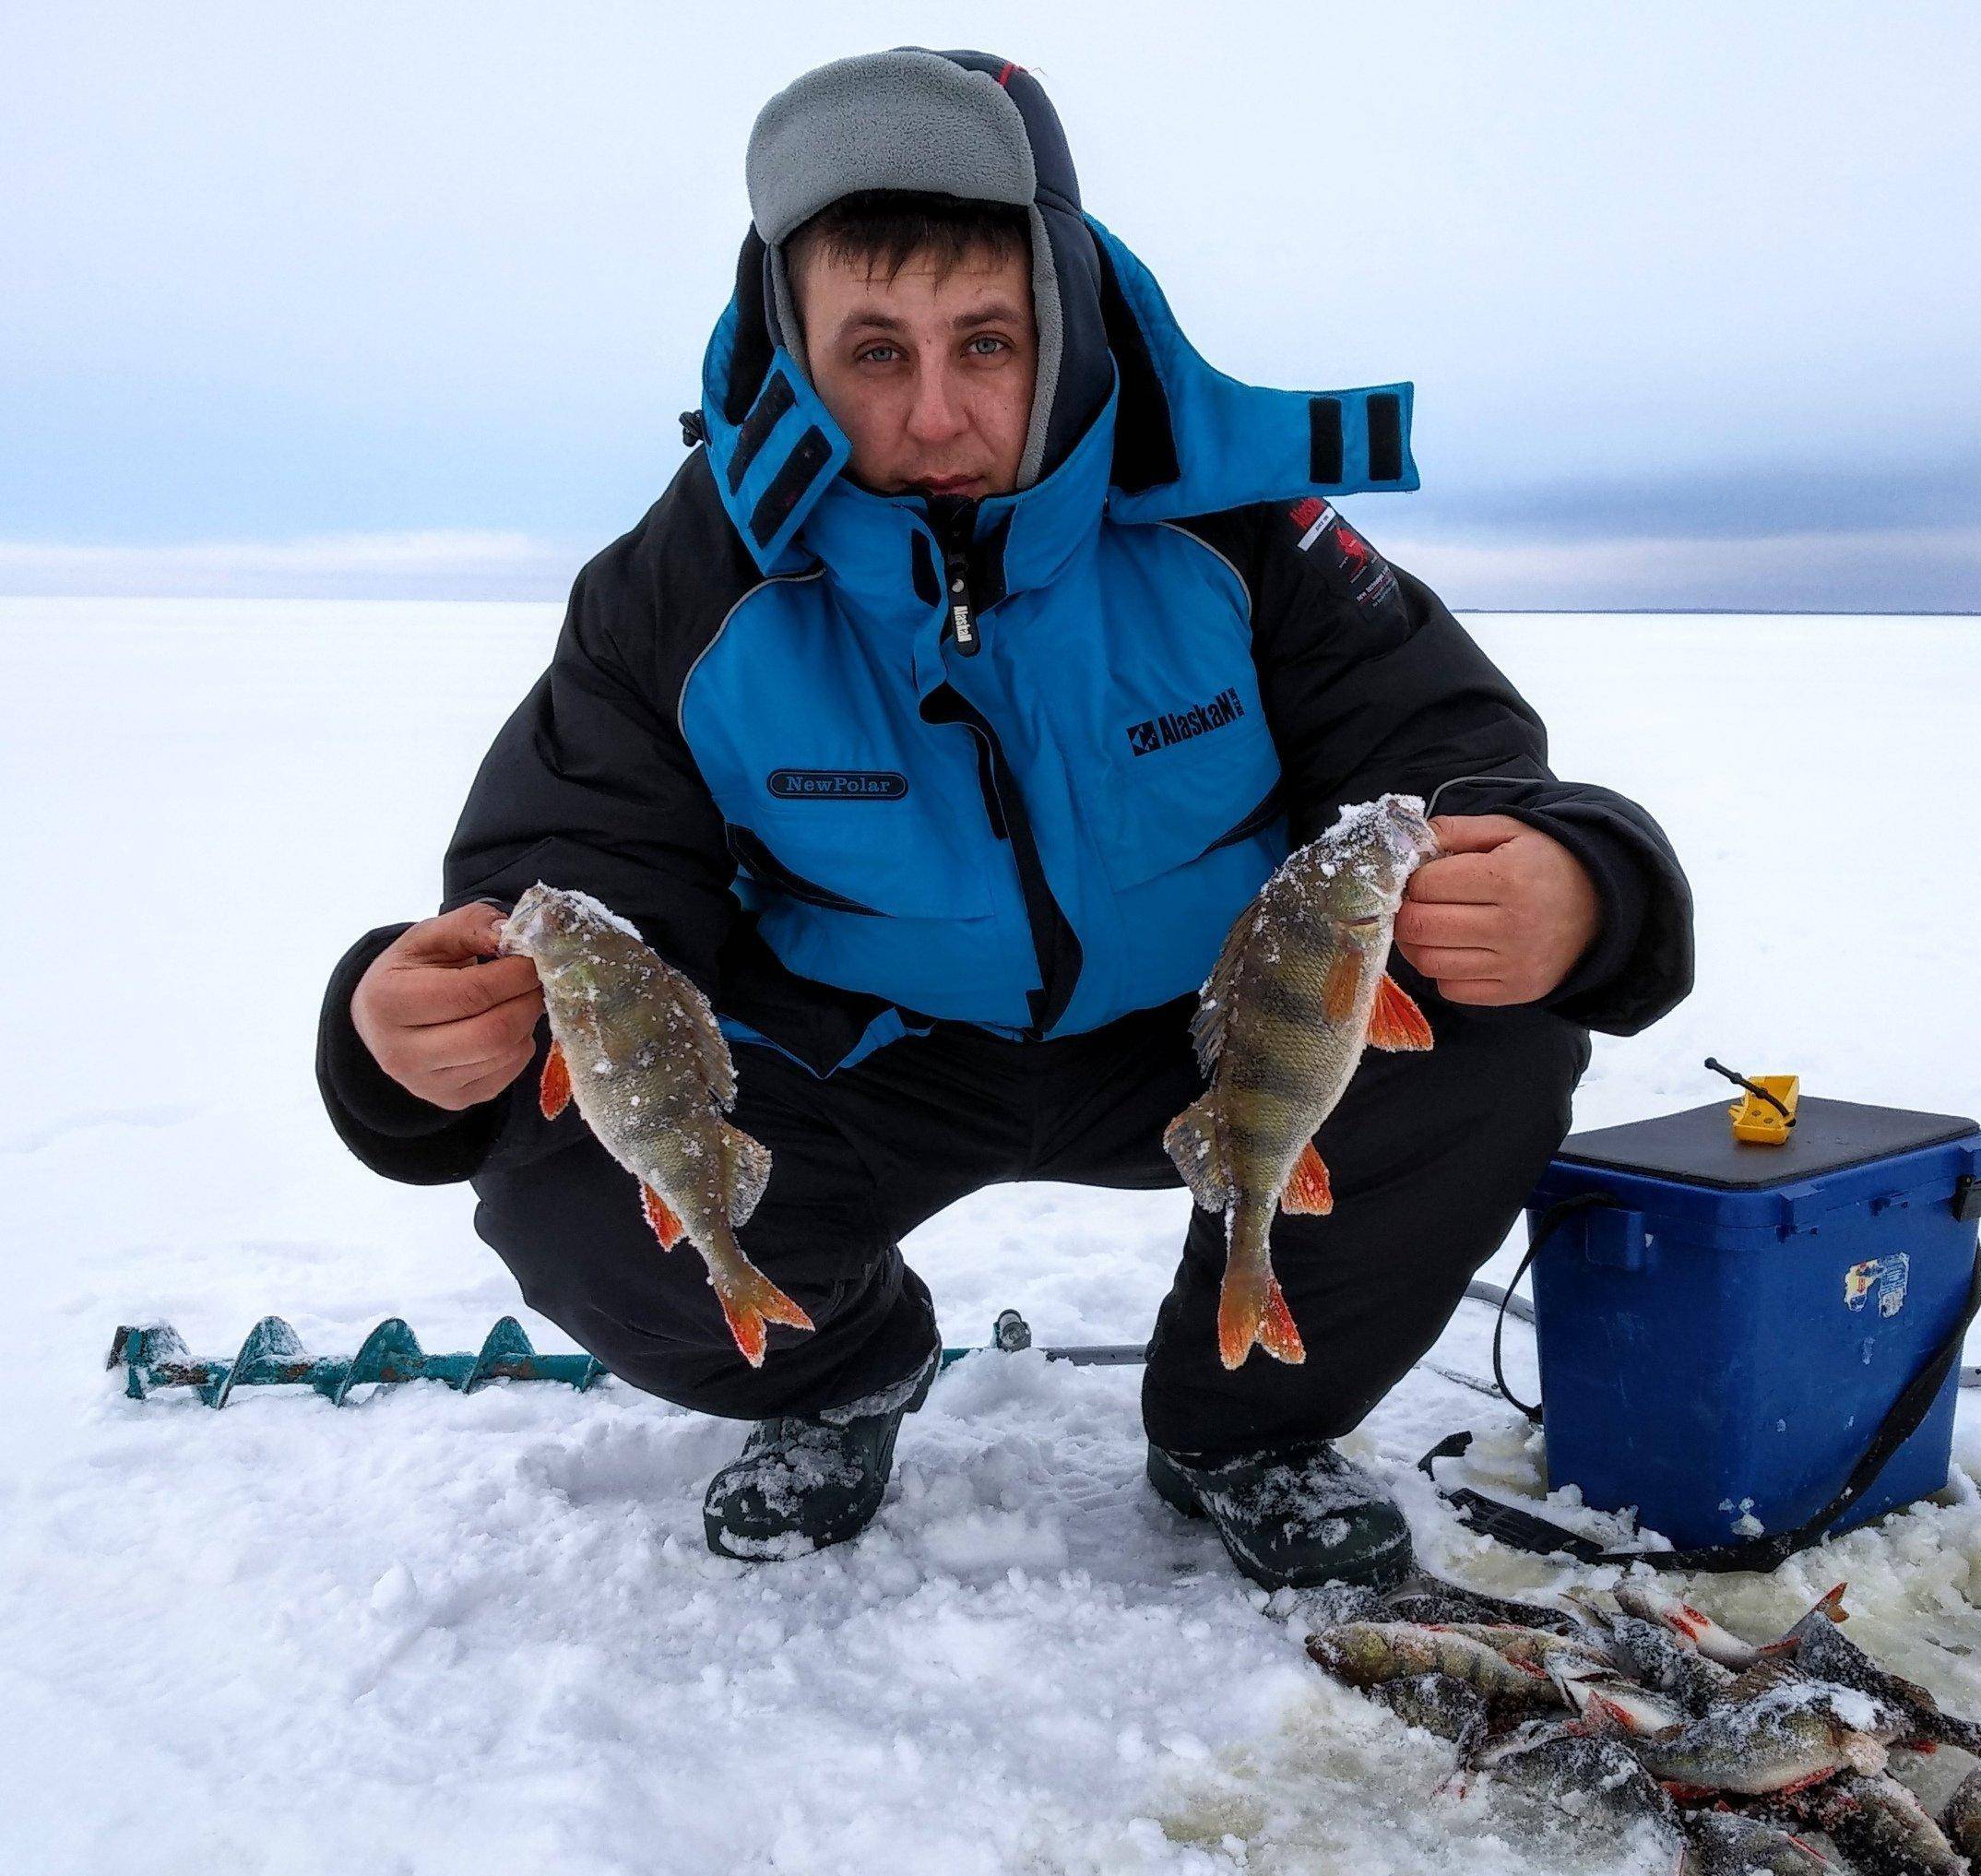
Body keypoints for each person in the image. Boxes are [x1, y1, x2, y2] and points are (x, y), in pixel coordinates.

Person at [316, 48, 1694, 1587]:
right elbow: (569, 881)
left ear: (1068, 320)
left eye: (987, 341)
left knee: (1487, 1024)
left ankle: (1244, 1422)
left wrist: (1580, 888)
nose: (941, 415)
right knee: (563, 1139)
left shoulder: (1243, 527)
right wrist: (410, 1041)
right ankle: (837, 1370)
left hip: (1213, 1025)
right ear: (792, 347)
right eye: (873, 353)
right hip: (859, 1056)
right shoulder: (681, 585)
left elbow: (1448, 760)